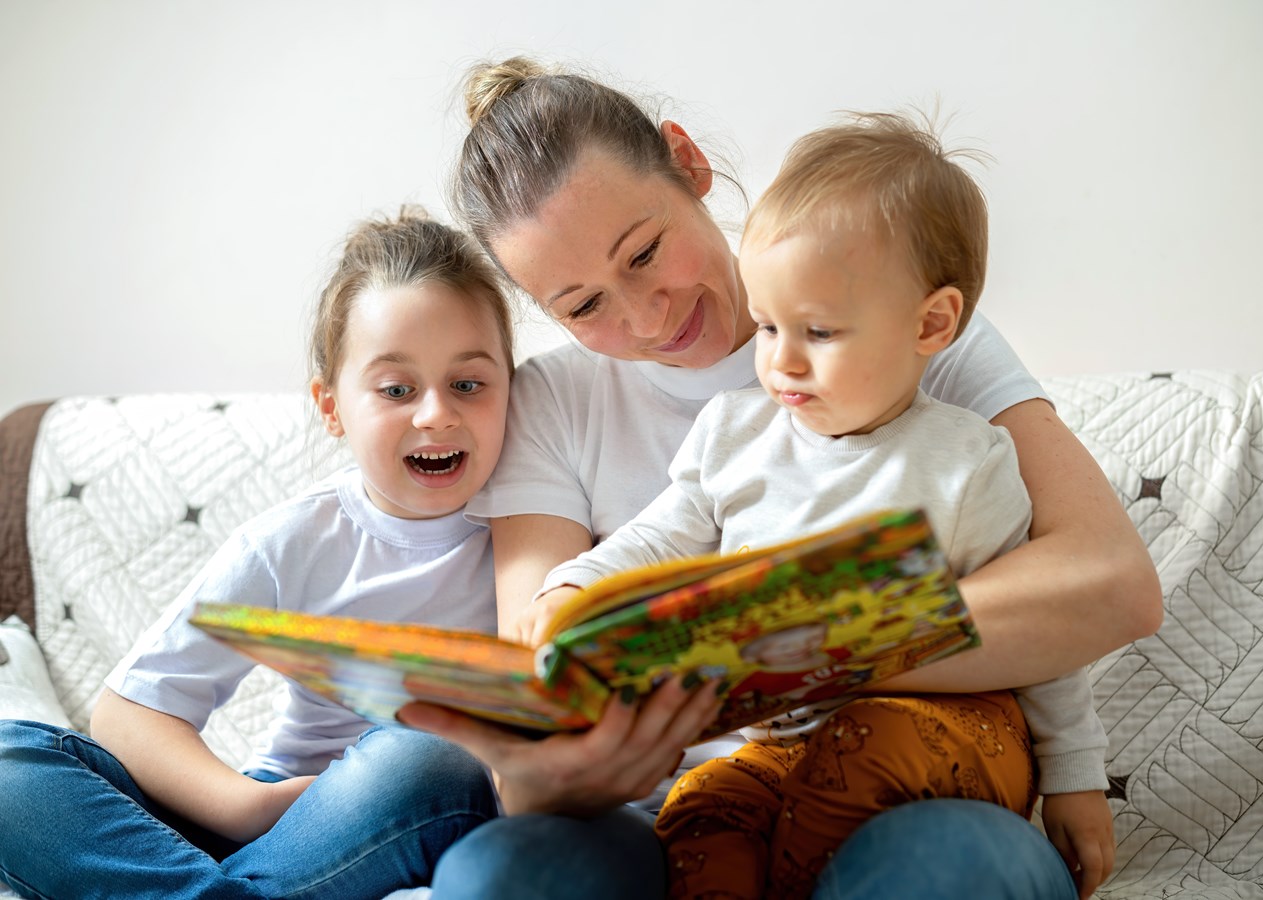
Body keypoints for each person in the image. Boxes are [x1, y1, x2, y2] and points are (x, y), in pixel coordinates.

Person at [399, 56, 1161, 900]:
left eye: (645, 252)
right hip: (676, 810)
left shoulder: (900, 323)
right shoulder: (566, 405)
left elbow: (1109, 588)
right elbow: (535, 731)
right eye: (582, 307)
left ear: (687, 163)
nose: (645, 316)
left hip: (902, 788)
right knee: (497, 874)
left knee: (952, 871)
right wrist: (575, 731)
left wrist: (795, 650)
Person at [0, 208, 515, 899]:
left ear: (514, 391)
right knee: (10, 766)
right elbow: (130, 713)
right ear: (331, 406)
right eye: (395, 389)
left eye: (468, 385)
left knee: (425, 758)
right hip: (278, 821)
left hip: (412, 806)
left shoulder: (539, 526)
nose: (435, 414)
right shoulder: (297, 541)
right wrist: (246, 804)